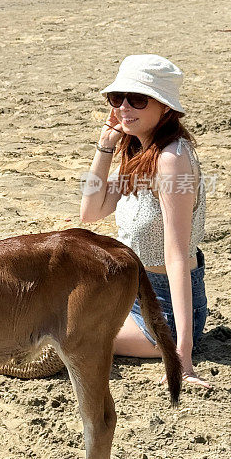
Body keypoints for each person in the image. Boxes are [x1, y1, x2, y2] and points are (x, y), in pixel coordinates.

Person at [80, 54, 210, 389]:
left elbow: (178, 256)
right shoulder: (139, 150)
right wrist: (105, 147)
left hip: (163, 312)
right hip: (126, 290)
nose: (124, 107)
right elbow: (91, 212)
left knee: (71, 338)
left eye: (137, 99)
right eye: (117, 98)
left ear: (165, 108)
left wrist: (182, 356)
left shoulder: (172, 160)